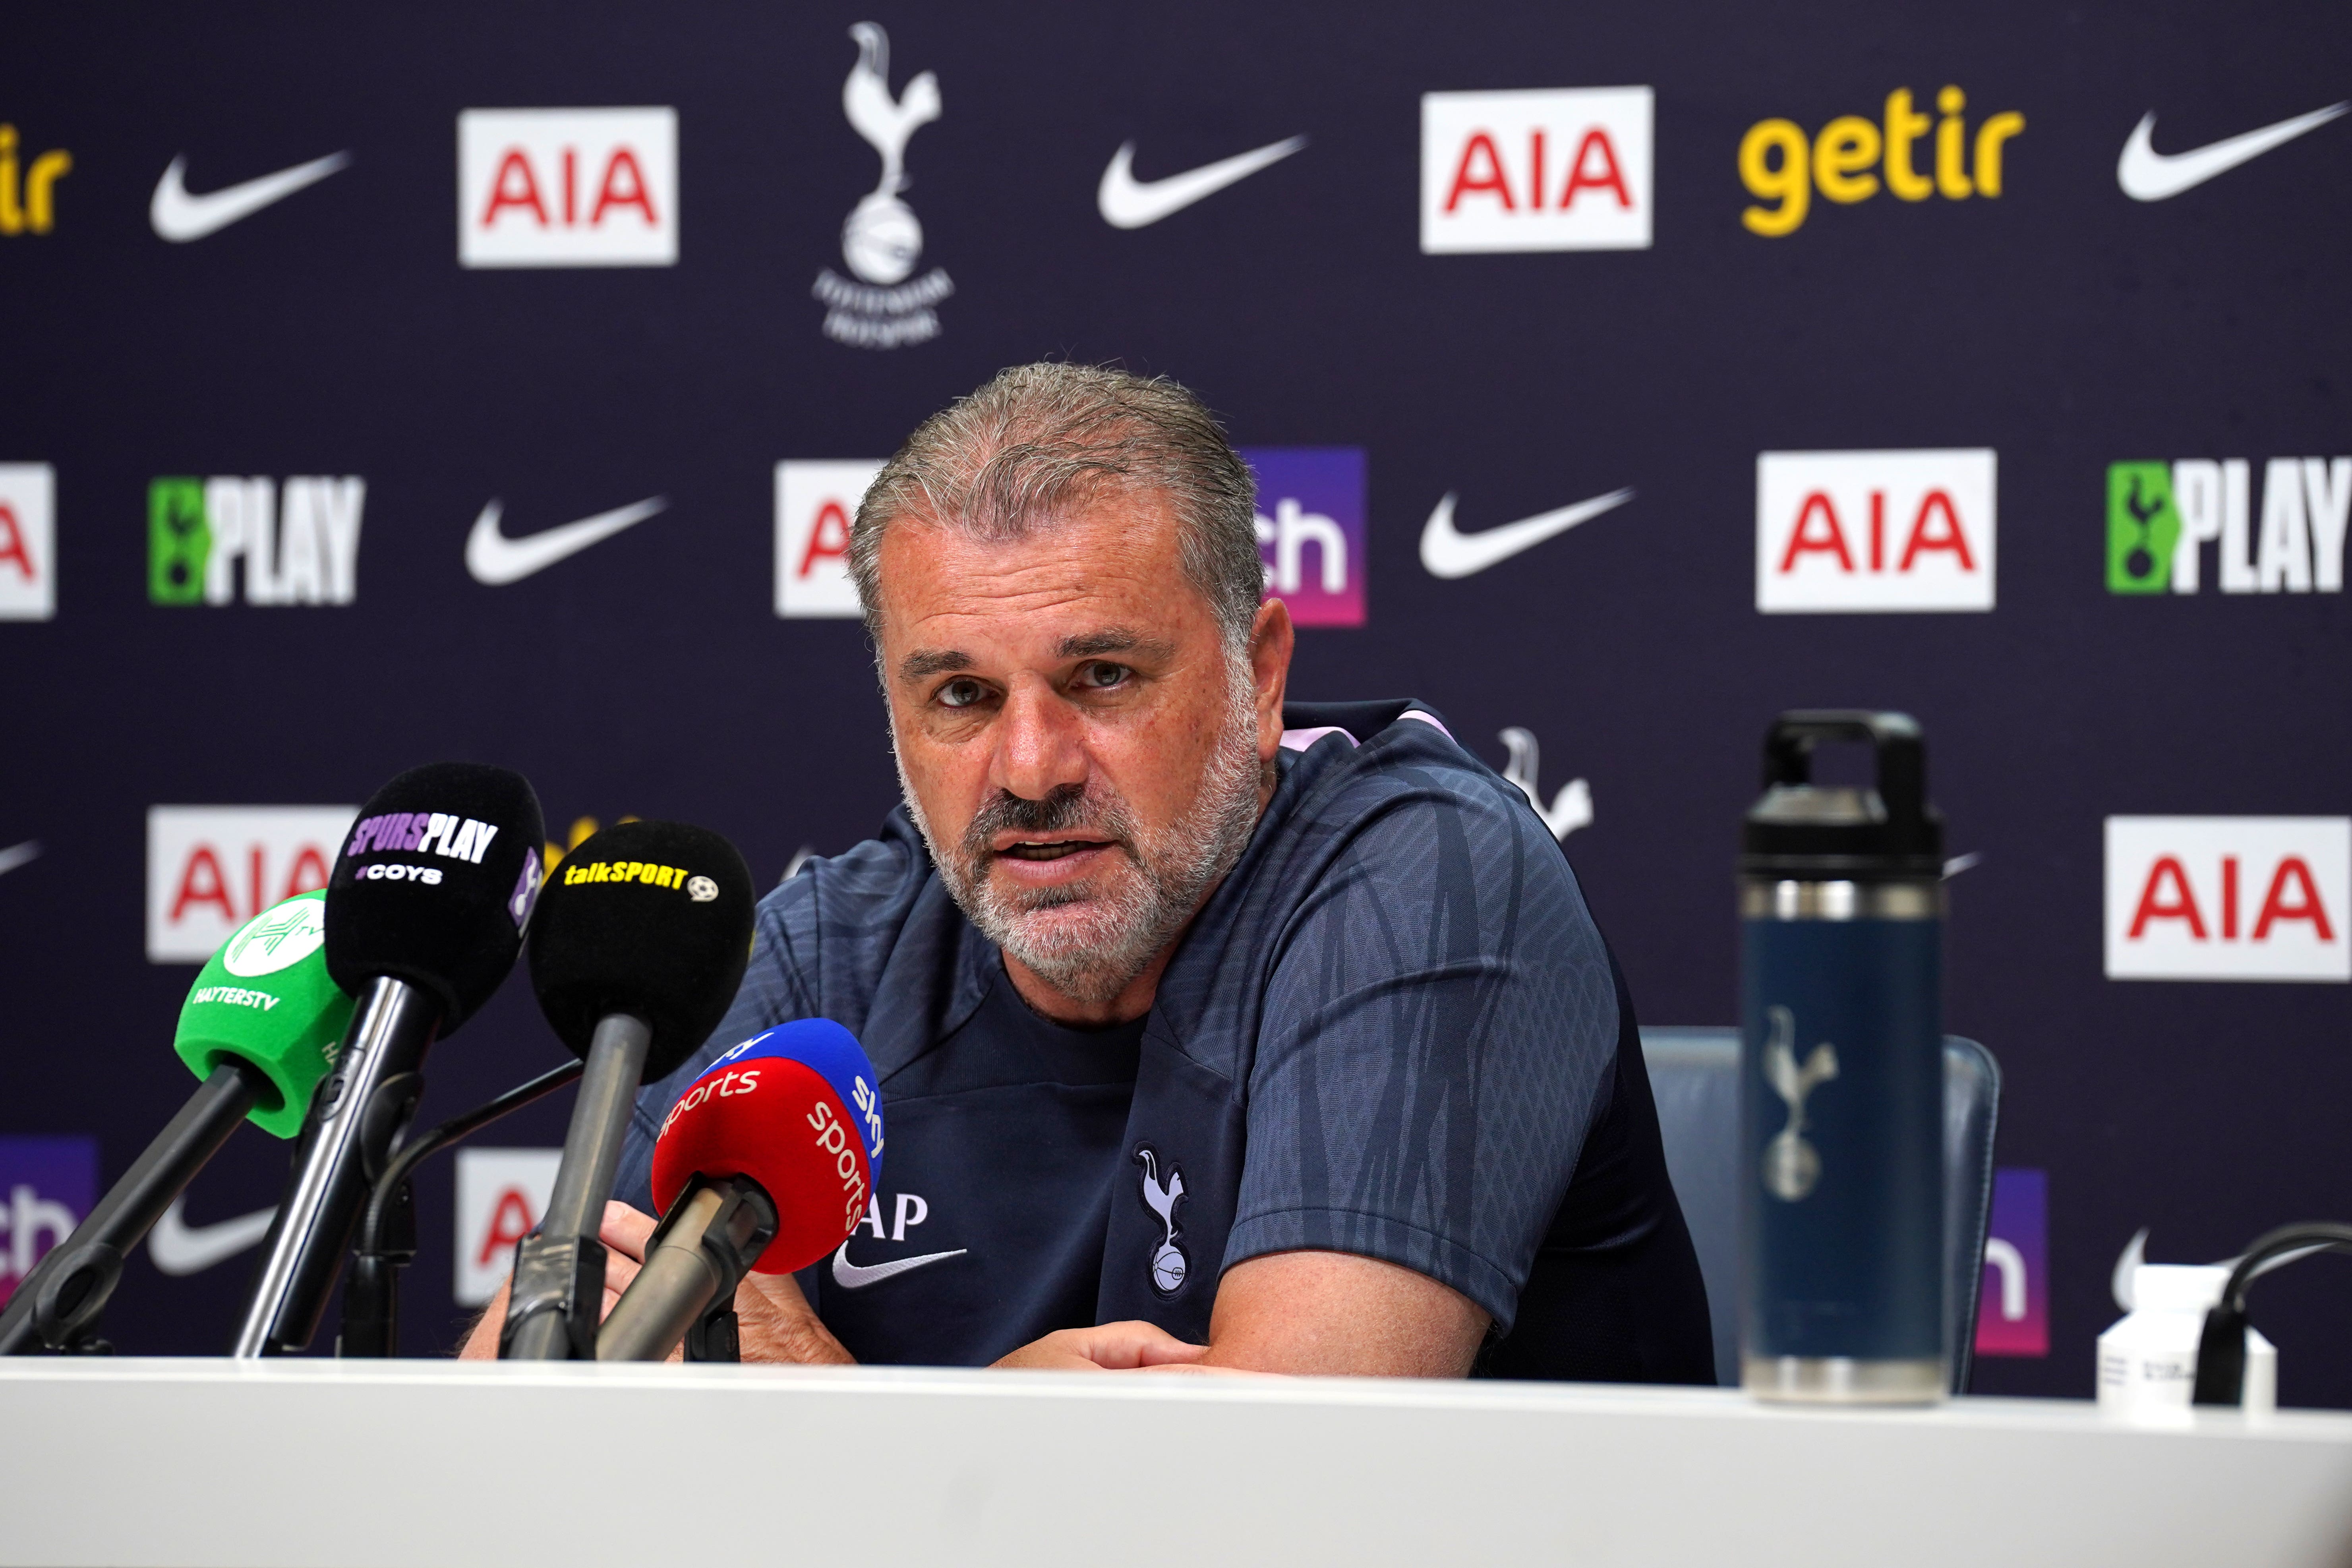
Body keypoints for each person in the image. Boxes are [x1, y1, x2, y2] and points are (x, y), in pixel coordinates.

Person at [464, 363, 1712, 1379]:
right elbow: (517, 1398)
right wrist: (996, 1436)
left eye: (1102, 678)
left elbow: (1287, 1493)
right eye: (960, 694)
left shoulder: (1428, 873)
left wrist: (842, 1420)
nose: (1029, 764)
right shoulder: (825, 950)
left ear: (1259, 676)